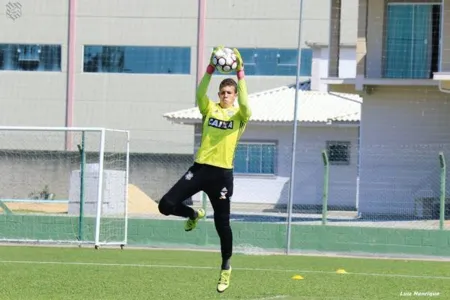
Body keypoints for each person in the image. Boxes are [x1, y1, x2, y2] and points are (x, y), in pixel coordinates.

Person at [158, 46, 251, 293]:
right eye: (222, 92)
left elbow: (245, 101)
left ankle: (226, 268)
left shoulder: (240, 115)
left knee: (223, 225)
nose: (225, 95)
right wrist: (210, 69)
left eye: (229, 92)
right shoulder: (210, 108)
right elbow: (200, 92)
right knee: (165, 205)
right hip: (200, 170)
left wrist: (240, 72)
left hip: (222, 175)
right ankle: (193, 215)